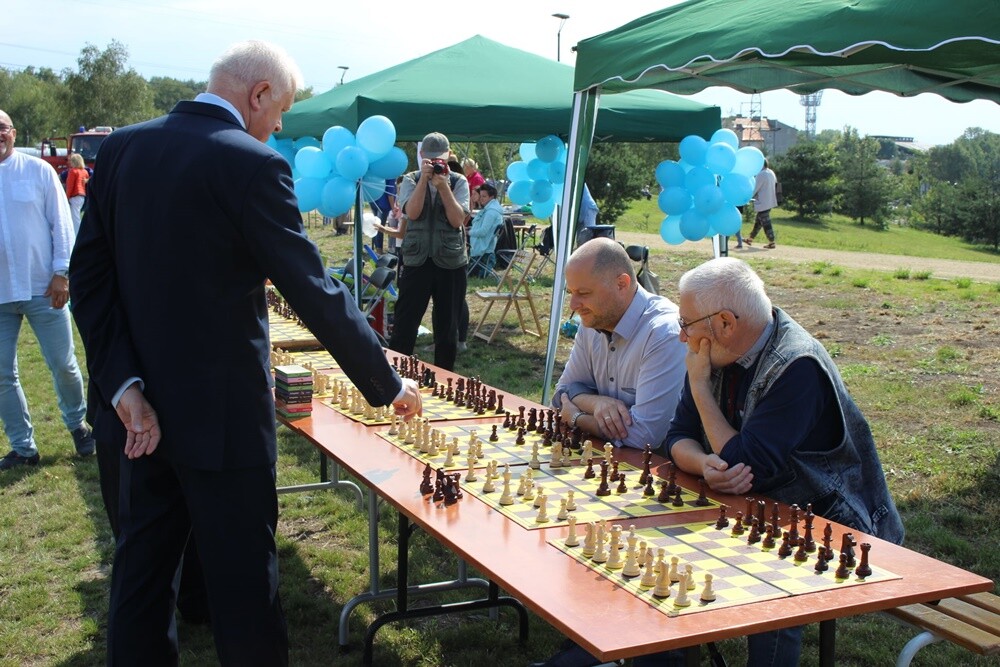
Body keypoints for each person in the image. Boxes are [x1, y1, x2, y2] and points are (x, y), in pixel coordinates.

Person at [69, 41, 421, 666]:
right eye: (279, 111)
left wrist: (123, 386)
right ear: (258, 94)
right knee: (243, 590)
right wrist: (386, 382)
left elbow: (89, 281)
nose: (279, 127)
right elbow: (311, 286)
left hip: (134, 415)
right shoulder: (251, 164)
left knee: (142, 582)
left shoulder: (121, 147)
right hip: (222, 418)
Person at [662, 256, 904, 665]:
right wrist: (704, 464)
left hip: (834, 523)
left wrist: (701, 389)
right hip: (761, 504)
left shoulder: (798, 366)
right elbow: (677, 436)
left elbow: (749, 465)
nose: (682, 336)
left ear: (725, 323)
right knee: (663, 544)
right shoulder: (716, 351)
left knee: (771, 583)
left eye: (686, 323)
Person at [0, 109, 96, 471]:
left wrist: (62, 273)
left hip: (43, 288)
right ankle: (23, 447)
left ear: (13, 131)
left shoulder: (38, 171)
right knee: (3, 376)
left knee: (64, 365)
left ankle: (78, 426)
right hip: (0, 294)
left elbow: (62, 224)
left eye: (3, 128)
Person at [553, 238, 686, 452]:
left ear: (621, 284)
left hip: (656, 472)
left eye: (584, 293)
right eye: (571, 293)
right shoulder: (592, 321)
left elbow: (645, 436)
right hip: (606, 459)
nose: (573, 305)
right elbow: (561, 394)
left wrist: (577, 417)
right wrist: (595, 403)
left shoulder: (664, 333)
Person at [387, 132, 470, 371]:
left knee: (447, 328)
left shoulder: (458, 182)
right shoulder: (411, 179)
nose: (435, 164)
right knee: (405, 324)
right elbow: (411, 213)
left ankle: (444, 379)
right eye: (430, 159)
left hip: (450, 263)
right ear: (421, 155)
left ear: (447, 156)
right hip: (416, 260)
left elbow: (457, 220)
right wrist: (424, 181)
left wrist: (444, 187)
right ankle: (395, 380)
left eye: (439, 159)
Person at [467, 183, 504, 277]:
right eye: (481, 196)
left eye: (484, 196)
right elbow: (482, 228)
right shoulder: (489, 209)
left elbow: (483, 232)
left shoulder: (491, 212)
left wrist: (468, 232)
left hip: (483, 247)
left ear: (491, 197)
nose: (481, 198)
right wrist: (470, 229)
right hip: (484, 244)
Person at [745, 159, 777, 249]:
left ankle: (772, 242)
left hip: (763, 202)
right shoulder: (771, 172)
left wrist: (747, 197)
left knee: (766, 223)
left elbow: (755, 188)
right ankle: (750, 239)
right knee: (758, 222)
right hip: (770, 200)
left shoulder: (761, 174)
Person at [369, 177, 396, 253]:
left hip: (374, 200)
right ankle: (379, 249)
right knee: (380, 227)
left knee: (375, 225)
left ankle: (375, 247)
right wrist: (393, 207)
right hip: (383, 203)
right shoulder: (391, 174)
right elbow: (389, 193)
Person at [64, 152, 90, 234]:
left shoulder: (73, 171)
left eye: (71, 161)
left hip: (74, 196)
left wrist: (66, 197)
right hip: (82, 196)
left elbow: (70, 186)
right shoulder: (84, 172)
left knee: (74, 217)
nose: (70, 163)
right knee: (77, 215)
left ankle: (77, 234)